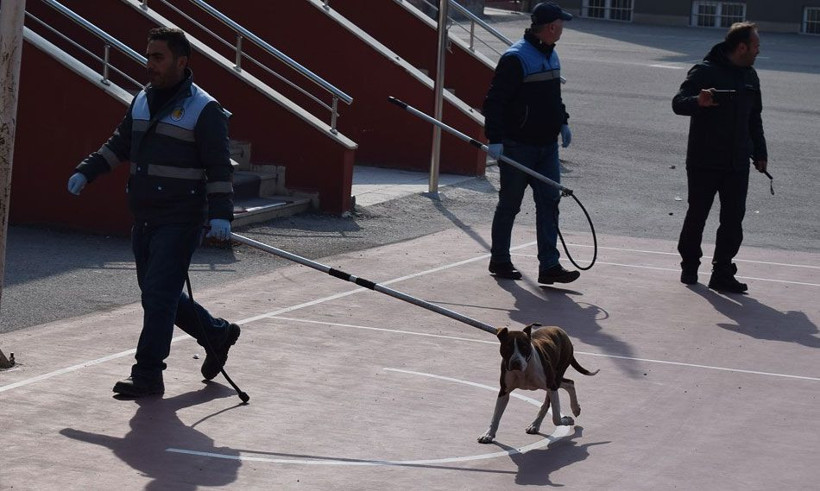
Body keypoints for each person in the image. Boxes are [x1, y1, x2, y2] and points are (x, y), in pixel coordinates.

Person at [67, 27, 241, 397]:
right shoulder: (142, 100)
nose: (150, 64)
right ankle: (216, 333)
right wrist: (87, 170)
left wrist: (221, 214)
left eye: (158, 57)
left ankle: (147, 373)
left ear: (181, 61)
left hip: (181, 219)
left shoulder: (204, 109)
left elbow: (219, 168)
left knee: (159, 295)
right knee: (156, 291)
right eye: (148, 56)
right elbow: (120, 145)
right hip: (145, 216)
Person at [482, 2, 579, 285]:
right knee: (510, 204)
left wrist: (563, 121)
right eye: (561, 24)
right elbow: (494, 101)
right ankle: (500, 260)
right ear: (551, 27)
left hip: (547, 147)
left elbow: (554, 98)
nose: (563, 28)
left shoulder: (552, 54)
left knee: (549, 203)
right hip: (518, 146)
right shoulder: (516, 58)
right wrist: (495, 139)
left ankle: (549, 266)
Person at [672, 22, 767, 293]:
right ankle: (690, 265)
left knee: (733, 220)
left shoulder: (750, 76)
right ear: (742, 47)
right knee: (697, 215)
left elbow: (754, 118)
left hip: (737, 162)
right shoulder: (705, 71)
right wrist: (697, 102)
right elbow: (678, 103)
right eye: (756, 46)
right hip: (704, 160)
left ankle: (722, 271)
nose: (758, 51)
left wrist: (760, 152)